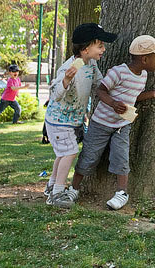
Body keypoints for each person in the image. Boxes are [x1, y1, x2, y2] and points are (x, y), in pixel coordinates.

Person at [69, 34, 155, 210]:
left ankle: (121, 193)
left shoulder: (143, 76)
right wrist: (113, 104)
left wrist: (151, 94)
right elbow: (100, 90)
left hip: (121, 126)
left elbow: (134, 96)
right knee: (89, 156)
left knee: (121, 158)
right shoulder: (118, 72)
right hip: (100, 123)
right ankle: (73, 188)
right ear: (145, 59)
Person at [44, 22, 115, 208]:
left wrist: (115, 78)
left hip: (71, 121)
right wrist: (66, 80)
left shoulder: (90, 64)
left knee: (62, 153)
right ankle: (58, 193)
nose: (103, 49)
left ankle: (51, 185)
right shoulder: (69, 68)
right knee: (70, 151)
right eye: (100, 46)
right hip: (59, 121)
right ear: (85, 49)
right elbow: (56, 94)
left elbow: (99, 83)